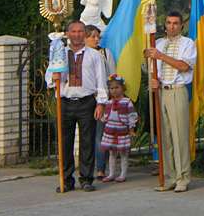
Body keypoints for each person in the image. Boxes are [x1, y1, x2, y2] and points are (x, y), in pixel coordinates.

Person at [45, 19, 108, 192]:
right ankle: (66, 179)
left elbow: (101, 79)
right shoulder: (59, 53)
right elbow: (49, 78)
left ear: (84, 34)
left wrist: (101, 102)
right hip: (65, 102)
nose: (77, 35)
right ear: (67, 34)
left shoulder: (94, 55)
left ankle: (86, 178)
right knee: (64, 141)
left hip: (87, 101)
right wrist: (54, 78)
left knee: (87, 141)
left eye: (81, 31)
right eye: (73, 31)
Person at [144, 10, 197, 193]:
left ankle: (183, 176)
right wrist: (153, 80)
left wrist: (161, 56)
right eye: (168, 23)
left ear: (181, 25)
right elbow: (152, 68)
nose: (171, 26)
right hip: (162, 91)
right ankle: (170, 175)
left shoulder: (187, 44)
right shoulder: (158, 43)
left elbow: (183, 66)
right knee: (165, 137)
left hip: (177, 90)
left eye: (175, 23)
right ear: (164, 25)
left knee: (179, 135)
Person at [85, 25, 115, 179]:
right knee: (86, 135)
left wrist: (108, 97)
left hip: (101, 99)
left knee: (99, 134)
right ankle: (86, 166)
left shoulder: (105, 53)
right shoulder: (81, 54)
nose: (96, 39)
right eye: (93, 36)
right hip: (85, 99)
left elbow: (112, 76)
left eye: (98, 36)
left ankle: (100, 167)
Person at [99, 74, 138, 183]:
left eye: (117, 87)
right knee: (112, 153)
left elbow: (132, 116)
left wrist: (131, 129)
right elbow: (105, 116)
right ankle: (111, 174)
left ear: (123, 88)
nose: (114, 90)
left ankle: (123, 174)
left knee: (124, 153)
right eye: (112, 88)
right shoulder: (108, 102)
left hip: (122, 131)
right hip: (110, 131)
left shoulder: (127, 102)